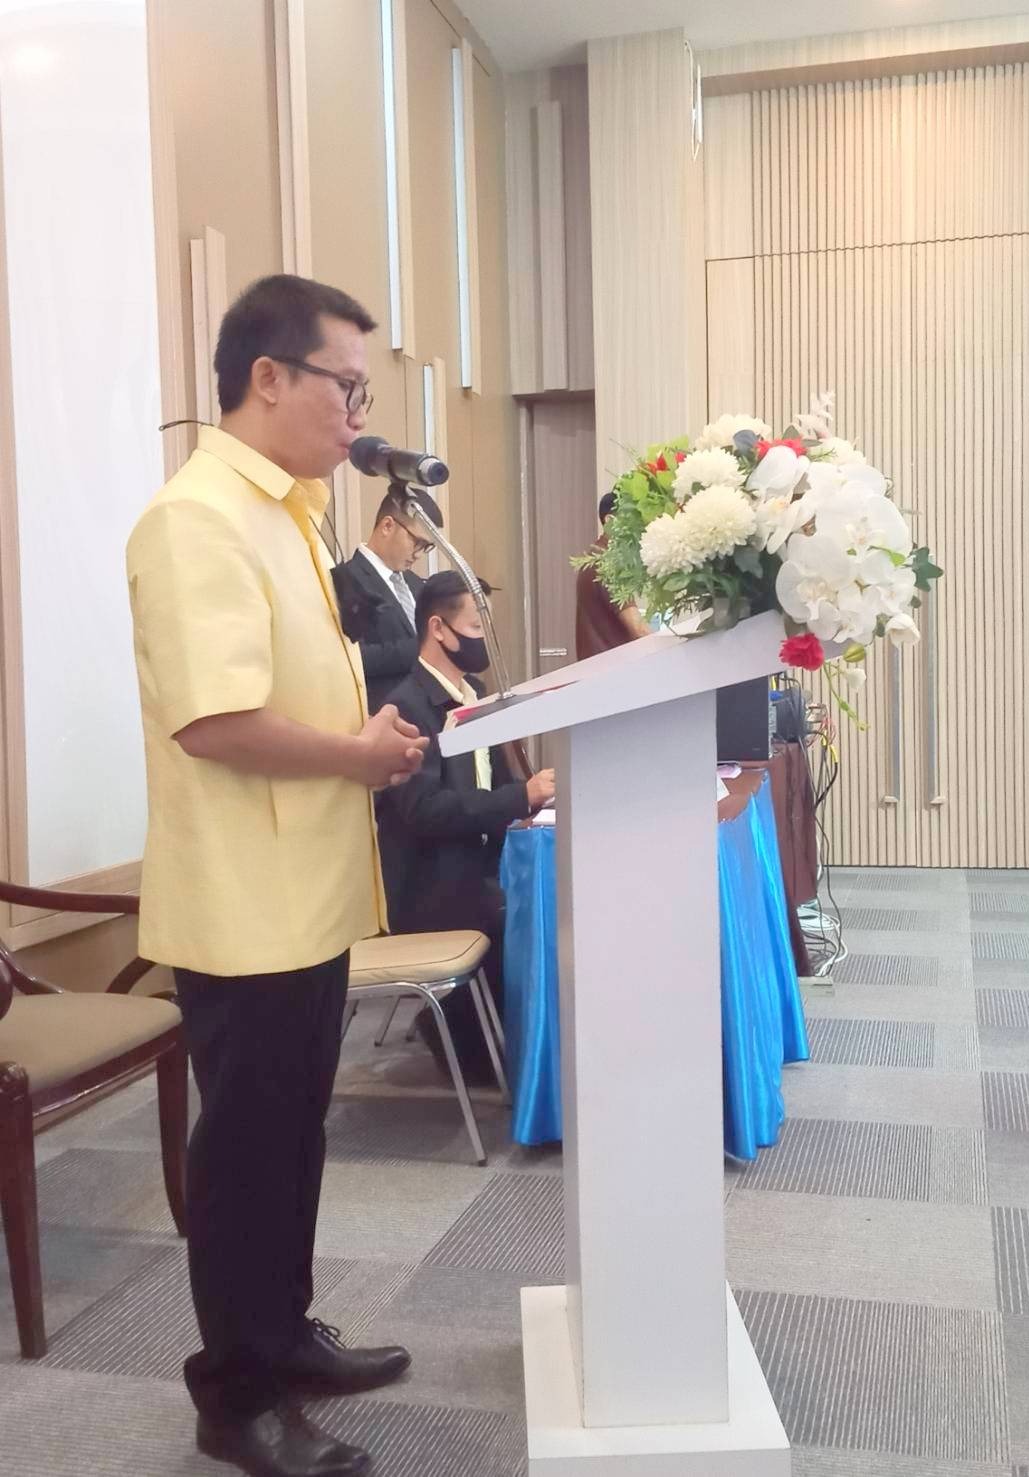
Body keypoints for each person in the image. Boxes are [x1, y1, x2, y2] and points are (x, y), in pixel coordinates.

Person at [126, 273, 429, 1477]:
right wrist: (356, 754)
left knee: (294, 1135)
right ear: (268, 377)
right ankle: (234, 1395)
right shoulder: (196, 518)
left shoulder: (288, 514)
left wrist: (369, 741)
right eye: (344, 387)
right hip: (244, 905)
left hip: (305, 890)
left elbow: (296, 690)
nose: (357, 415)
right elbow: (214, 720)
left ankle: (285, 1334)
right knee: (246, 1155)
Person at [374, 571, 555, 1081]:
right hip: (431, 883)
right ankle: (489, 1045)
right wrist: (520, 796)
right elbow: (424, 810)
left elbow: (496, 786)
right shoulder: (406, 708)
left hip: (478, 864)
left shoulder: (474, 695)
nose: (484, 640)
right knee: (522, 914)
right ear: (438, 628)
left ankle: (540, 1043)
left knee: (550, 896)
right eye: (476, 627)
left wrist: (526, 804)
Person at [332, 489, 434, 711]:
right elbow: (351, 658)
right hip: (383, 714)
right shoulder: (346, 580)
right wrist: (421, 648)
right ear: (387, 526)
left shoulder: (417, 584)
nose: (418, 554)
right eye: (416, 542)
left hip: (431, 714)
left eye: (426, 547)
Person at [575, 491, 652, 660]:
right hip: (613, 669)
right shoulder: (607, 563)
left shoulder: (596, 556)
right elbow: (639, 630)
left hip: (597, 668)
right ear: (610, 521)